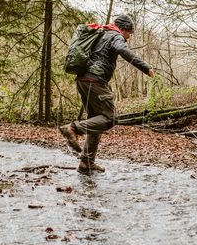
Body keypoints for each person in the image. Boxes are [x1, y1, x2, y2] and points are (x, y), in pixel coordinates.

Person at [59, 14, 155, 174]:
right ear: (123, 29)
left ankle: (86, 163)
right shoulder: (114, 35)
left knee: (95, 122)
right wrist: (145, 67)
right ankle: (72, 128)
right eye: (129, 33)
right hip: (95, 81)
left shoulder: (101, 33)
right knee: (110, 119)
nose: (128, 37)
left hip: (83, 80)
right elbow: (123, 49)